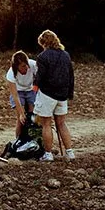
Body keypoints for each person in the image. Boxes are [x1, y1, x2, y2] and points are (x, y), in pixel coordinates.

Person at [32, 30, 75, 161]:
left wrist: (35, 87)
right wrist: (69, 94)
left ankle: (48, 154)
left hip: (48, 93)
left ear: (44, 43)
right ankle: (70, 152)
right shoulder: (66, 55)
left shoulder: (42, 56)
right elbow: (71, 75)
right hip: (62, 94)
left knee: (46, 124)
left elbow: (40, 76)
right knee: (61, 123)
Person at [5, 50, 38, 139]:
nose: (26, 67)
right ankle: (18, 140)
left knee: (33, 117)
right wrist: (21, 113)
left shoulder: (33, 65)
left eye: (26, 64)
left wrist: (35, 90)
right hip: (19, 91)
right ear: (17, 66)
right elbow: (15, 95)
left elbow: (40, 78)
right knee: (21, 119)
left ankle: (33, 139)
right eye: (23, 66)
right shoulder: (11, 74)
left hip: (31, 89)